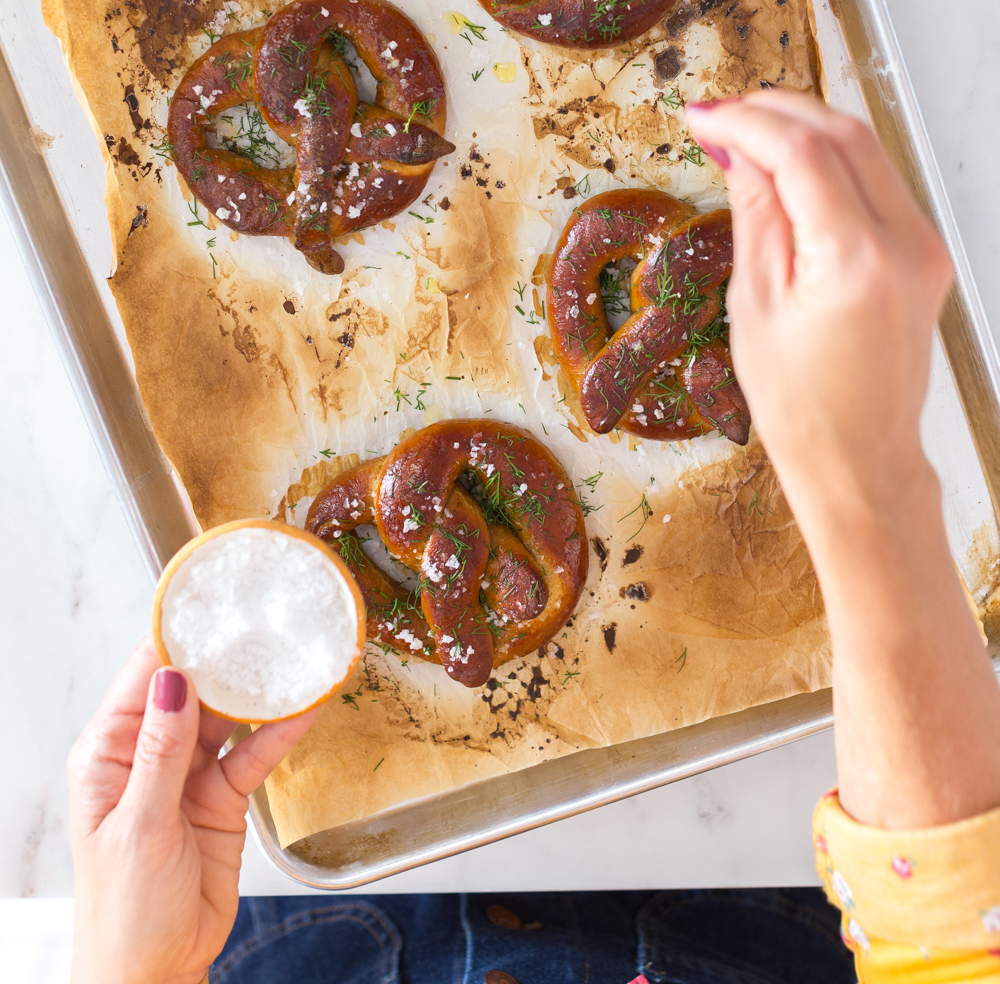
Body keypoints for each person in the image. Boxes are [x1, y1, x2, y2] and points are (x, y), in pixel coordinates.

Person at [66, 91, 1000, 984]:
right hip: (761, 912)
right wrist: (866, 490)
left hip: (316, 937)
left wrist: (136, 966)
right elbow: (959, 937)